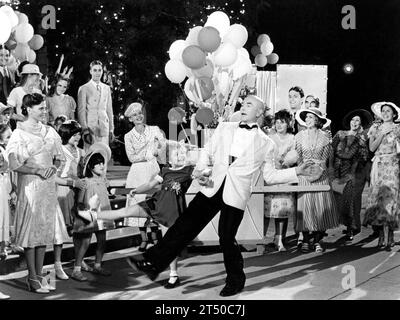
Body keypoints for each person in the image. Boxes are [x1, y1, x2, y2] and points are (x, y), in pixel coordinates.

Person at [125, 95, 315, 297]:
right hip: (212, 186)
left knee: (226, 236)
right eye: (243, 103)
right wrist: (200, 171)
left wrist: (298, 172)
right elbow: (207, 151)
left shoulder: (267, 143)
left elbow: (269, 175)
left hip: (237, 193)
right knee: (185, 225)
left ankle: (235, 280)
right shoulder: (225, 127)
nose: (243, 106)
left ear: (259, 112)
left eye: (249, 104)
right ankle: (152, 263)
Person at [79, 142, 195, 289]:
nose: (181, 156)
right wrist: (136, 190)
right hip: (155, 204)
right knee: (124, 212)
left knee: (169, 244)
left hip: (172, 212)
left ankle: (173, 275)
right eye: (177, 154)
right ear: (169, 158)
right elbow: (150, 185)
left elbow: (203, 177)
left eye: (183, 153)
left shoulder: (188, 171)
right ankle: (94, 215)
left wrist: (204, 177)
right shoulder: (165, 171)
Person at [5, 93, 69, 293]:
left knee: (43, 233)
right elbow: (13, 164)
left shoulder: (50, 131)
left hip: (48, 187)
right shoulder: (19, 133)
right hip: (31, 186)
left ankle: (41, 276)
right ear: (28, 109)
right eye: (40, 108)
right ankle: (32, 278)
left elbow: (59, 157)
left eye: (44, 107)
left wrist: (53, 168)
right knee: (31, 233)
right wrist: (36, 170)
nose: (44, 111)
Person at [294, 108, 340, 253]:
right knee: (305, 209)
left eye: (310, 117)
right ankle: (306, 240)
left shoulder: (325, 136)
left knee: (321, 209)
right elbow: (298, 157)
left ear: (318, 120)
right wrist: (305, 170)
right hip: (304, 175)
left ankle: (317, 240)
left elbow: (326, 158)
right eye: (306, 117)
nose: (307, 120)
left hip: (321, 175)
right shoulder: (299, 136)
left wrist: (319, 170)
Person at [123, 102, 165, 251]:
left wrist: (159, 147)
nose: (138, 116)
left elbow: (162, 146)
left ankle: (155, 236)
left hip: (152, 170)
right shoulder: (128, 136)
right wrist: (148, 154)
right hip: (137, 172)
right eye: (134, 115)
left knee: (153, 202)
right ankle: (143, 238)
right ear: (130, 119)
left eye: (140, 113)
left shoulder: (154, 130)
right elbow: (131, 157)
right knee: (139, 203)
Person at [70, 142, 113, 281]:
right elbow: (81, 201)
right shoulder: (86, 182)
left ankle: (98, 265)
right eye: (98, 163)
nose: (102, 166)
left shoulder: (104, 181)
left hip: (103, 212)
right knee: (85, 241)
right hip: (89, 214)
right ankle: (77, 269)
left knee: (102, 240)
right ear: (90, 166)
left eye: (103, 163)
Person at [363, 102, 400, 250]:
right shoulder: (375, 128)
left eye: (388, 111)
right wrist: (382, 133)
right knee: (378, 201)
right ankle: (381, 236)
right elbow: (372, 148)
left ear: (394, 114)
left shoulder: (398, 128)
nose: (385, 113)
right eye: (383, 111)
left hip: (393, 166)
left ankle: (390, 235)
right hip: (379, 166)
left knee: (390, 200)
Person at [263, 110, 297, 251]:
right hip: (271, 176)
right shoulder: (269, 137)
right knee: (267, 209)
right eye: (277, 122)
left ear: (288, 123)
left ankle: (280, 238)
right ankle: (261, 239)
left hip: (285, 176)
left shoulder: (292, 138)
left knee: (283, 209)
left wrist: (287, 160)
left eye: (282, 122)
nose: (279, 125)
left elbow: (295, 155)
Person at [338, 109, 373, 238]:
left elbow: (369, 152)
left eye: (357, 120)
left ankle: (355, 226)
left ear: (361, 123)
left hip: (362, 169)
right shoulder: (343, 134)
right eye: (352, 120)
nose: (354, 122)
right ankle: (351, 226)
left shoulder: (365, 135)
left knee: (356, 197)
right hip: (347, 170)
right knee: (348, 198)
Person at [77, 60, 114, 149]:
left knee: (104, 154)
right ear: (90, 71)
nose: (97, 73)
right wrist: (85, 130)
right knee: (90, 155)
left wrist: (111, 129)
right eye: (95, 70)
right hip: (90, 129)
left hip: (104, 127)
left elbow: (109, 110)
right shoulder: (84, 88)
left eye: (99, 70)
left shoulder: (107, 88)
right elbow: (81, 111)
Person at [0, 124, 12, 261]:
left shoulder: (6, 150)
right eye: (8, 137)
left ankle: (3, 246)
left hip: (4, 184)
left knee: (4, 216)